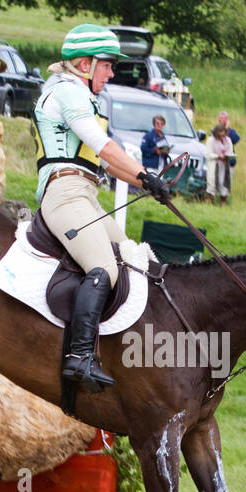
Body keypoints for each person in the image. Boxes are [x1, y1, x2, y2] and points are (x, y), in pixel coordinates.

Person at [32, 23, 171, 394]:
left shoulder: (83, 96)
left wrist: (150, 183)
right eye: (107, 65)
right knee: (104, 268)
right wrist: (146, 176)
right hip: (64, 193)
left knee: (132, 256)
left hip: (85, 195)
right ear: (82, 63)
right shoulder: (67, 93)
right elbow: (105, 147)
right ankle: (78, 358)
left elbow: (107, 163)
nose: (112, 73)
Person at [208, 123, 234, 203]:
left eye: (223, 135)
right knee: (213, 183)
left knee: (224, 184)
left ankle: (223, 202)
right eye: (220, 136)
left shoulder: (228, 140)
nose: (222, 137)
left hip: (225, 165)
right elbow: (208, 154)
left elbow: (230, 151)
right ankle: (211, 201)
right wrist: (218, 156)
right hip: (214, 165)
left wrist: (227, 156)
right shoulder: (211, 140)